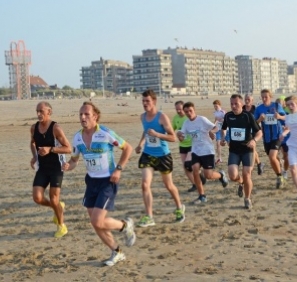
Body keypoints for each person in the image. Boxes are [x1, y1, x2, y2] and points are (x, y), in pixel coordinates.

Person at [62, 101, 135, 266]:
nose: (82, 117)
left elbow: (128, 148)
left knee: (97, 221)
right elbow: (74, 160)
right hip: (91, 182)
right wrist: (68, 166)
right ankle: (117, 252)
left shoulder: (105, 133)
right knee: (96, 223)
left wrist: (118, 169)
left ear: (95, 116)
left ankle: (124, 225)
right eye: (80, 114)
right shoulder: (77, 138)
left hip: (108, 181)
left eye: (86, 114)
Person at [135, 89, 185, 227]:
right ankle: (149, 216)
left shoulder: (162, 117)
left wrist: (158, 134)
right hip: (148, 154)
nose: (145, 104)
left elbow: (173, 137)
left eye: (147, 101)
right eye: (143, 101)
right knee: (145, 184)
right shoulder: (142, 117)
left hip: (163, 155)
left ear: (154, 101)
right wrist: (140, 144)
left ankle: (179, 207)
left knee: (168, 185)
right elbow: (146, 132)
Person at [30, 101, 72, 238]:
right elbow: (32, 143)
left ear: (49, 112)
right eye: (37, 111)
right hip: (42, 168)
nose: (38, 114)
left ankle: (62, 226)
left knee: (53, 199)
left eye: (41, 111)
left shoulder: (56, 128)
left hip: (56, 167)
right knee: (37, 197)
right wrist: (35, 157)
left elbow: (68, 148)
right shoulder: (33, 128)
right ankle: (57, 207)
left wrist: (50, 149)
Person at [177, 101, 229, 204]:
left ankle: (221, 175)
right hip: (196, 150)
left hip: (207, 150)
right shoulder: (186, 123)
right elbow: (182, 136)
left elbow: (216, 127)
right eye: (186, 111)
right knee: (195, 170)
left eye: (190, 111)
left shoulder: (202, 119)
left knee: (208, 175)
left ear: (194, 110)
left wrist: (211, 132)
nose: (188, 113)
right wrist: (180, 135)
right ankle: (202, 195)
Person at [221, 94, 262, 209]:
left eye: (236, 104)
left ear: (242, 104)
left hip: (247, 150)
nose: (234, 106)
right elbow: (223, 128)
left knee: (247, 174)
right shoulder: (228, 116)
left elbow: (259, 132)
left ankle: (247, 198)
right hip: (234, 150)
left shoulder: (248, 116)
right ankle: (241, 182)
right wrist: (223, 138)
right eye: (232, 104)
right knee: (233, 175)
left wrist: (254, 140)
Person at [172, 100, 206, 192]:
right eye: (177, 109)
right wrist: (177, 135)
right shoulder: (175, 118)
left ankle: (200, 174)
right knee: (185, 167)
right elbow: (172, 130)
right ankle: (195, 184)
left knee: (188, 165)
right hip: (182, 145)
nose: (178, 111)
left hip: (192, 144)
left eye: (180, 109)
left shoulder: (189, 119)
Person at [254, 89, 286, 188]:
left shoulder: (276, 106)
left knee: (272, 157)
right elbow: (254, 124)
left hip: (277, 136)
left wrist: (279, 116)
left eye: (266, 97)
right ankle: (279, 166)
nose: (264, 99)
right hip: (266, 138)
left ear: (270, 97)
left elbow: (285, 118)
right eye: (262, 97)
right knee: (273, 158)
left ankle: (279, 177)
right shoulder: (259, 109)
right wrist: (260, 119)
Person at [280, 96, 297, 200]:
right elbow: (288, 129)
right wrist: (283, 133)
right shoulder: (288, 117)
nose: (290, 107)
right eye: (288, 105)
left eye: (292, 104)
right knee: (293, 170)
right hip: (292, 146)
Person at [243, 94, 264, 175]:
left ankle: (250, 169)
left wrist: (259, 119)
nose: (247, 101)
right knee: (251, 149)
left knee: (252, 148)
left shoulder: (256, 110)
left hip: (254, 132)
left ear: (252, 101)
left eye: (249, 99)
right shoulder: (242, 109)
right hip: (245, 133)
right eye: (246, 99)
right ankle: (259, 164)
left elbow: (257, 123)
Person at [275, 97, 289, 180]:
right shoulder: (273, 113)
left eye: (280, 103)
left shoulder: (286, 113)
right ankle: (280, 165)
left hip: (285, 137)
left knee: (286, 156)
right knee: (275, 155)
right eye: (277, 104)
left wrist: (285, 127)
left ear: (284, 104)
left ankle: (285, 171)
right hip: (276, 137)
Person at [213, 100, 226, 164]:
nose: (215, 107)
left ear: (219, 105)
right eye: (214, 106)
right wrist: (213, 125)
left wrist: (222, 120)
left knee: (228, 143)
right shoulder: (215, 112)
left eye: (216, 106)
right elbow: (215, 119)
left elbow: (226, 120)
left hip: (224, 129)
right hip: (218, 129)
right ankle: (219, 158)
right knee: (218, 144)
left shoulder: (223, 112)